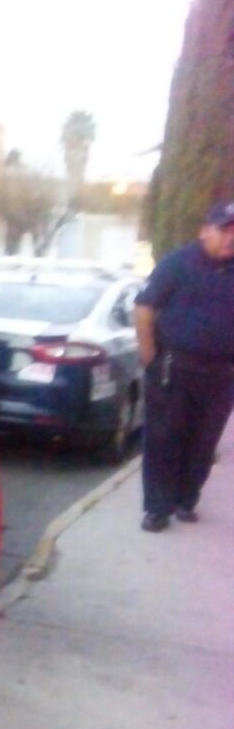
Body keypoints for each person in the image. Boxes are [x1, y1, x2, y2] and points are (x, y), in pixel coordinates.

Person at [134, 200, 234, 532]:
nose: (229, 239)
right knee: (165, 439)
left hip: (222, 374)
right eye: (223, 230)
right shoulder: (178, 263)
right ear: (205, 230)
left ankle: (186, 498)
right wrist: (149, 355)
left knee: (203, 442)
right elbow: (145, 307)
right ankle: (157, 508)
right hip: (174, 368)